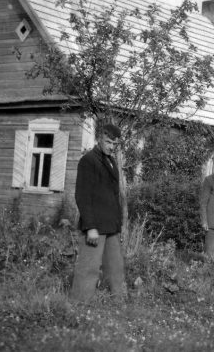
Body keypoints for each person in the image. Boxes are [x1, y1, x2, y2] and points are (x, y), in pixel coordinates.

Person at [71, 124, 125, 301]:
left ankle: (118, 301)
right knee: (89, 267)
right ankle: (79, 304)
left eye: (114, 144)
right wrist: (90, 227)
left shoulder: (111, 161)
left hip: (111, 226)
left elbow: (112, 195)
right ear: (99, 139)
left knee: (115, 267)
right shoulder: (88, 160)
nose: (111, 147)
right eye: (108, 142)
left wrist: (118, 225)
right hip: (95, 226)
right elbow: (82, 196)